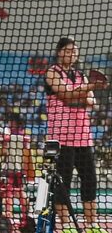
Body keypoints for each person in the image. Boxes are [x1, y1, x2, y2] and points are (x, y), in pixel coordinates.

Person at [44, 37, 108, 233]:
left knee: (90, 179)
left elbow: (91, 102)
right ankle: (64, 226)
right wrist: (85, 90)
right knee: (63, 182)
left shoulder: (80, 75)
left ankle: (91, 224)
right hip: (60, 137)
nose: (72, 54)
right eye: (68, 50)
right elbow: (66, 94)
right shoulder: (52, 72)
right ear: (59, 52)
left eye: (75, 51)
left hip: (83, 136)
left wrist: (77, 95)